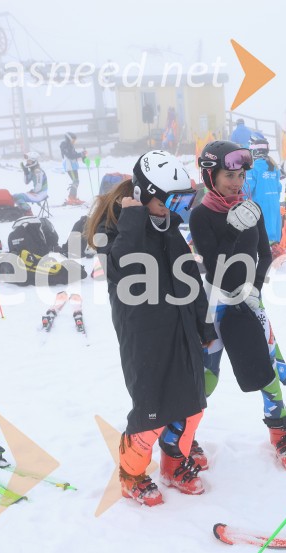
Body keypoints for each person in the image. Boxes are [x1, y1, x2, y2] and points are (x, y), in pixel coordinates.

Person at [85, 150, 217, 506]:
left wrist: (205, 327)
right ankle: (131, 475)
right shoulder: (116, 233)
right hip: (144, 339)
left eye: (183, 201)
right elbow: (123, 270)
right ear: (143, 195)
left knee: (193, 405)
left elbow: (190, 281)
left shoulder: (170, 230)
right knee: (151, 415)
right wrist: (131, 220)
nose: (175, 209)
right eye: (170, 200)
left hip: (182, 331)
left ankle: (174, 464)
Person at [187, 140, 286, 470]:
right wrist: (234, 229)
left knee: (266, 370)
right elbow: (214, 261)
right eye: (228, 175)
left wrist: (255, 288)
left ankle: (280, 432)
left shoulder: (253, 209)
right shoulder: (201, 215)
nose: (236, 183)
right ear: (211, 176)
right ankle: (184, 436)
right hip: (213, 304)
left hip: (247, 301)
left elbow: (265, 254)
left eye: (240, 176)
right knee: (206, 378)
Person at [245, 134, 283, 243]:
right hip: (274, 203)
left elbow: (247, 188)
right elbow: (278, 187)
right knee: (273, 229)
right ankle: (275, 247)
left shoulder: (253, 167)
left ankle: (267, 251)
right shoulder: (274, 166)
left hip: (260, 204)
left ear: (255, 152)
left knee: (262, 231)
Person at [60, 132, 86, 205]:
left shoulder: (70, 145)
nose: (74, 141)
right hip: (69, 166)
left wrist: (82, 154)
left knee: (76, 181)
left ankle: (73, 197)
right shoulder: (64, 145)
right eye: (73, 140)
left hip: (73, 165)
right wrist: (80, 154)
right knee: (75, 181)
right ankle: (71, 198)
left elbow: (74, 154)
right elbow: (70, 155)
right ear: (69, 138)